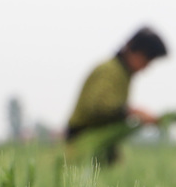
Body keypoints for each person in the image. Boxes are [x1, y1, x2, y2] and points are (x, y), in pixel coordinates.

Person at [66, 26, 168, 164]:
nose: (146, 67)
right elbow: (98, 106)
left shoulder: (123, 73)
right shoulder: (110, 70)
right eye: (145, 61)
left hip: (101, 141)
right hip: (84, 138)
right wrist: (134, 112)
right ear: (133, 51)